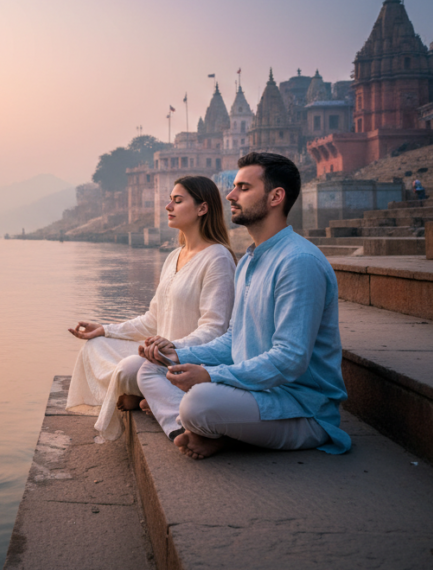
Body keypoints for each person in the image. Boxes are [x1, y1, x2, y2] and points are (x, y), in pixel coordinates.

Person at [139, 151, 351, 460]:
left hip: (301, 408)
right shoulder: (250, 259)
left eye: (243, 188)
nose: (230, 195)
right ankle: (197, 430)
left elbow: (290, 359)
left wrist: (212, 376)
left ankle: (203, 427)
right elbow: (232, 339)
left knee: (199, 402)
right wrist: (176, 353)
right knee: (150, 369)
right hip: (254, 390)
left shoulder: (298, 262)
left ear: (276, 196)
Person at [65, 175, 236, 442]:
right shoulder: (173, 257)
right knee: (95, 347)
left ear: (203, 208)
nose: (168, 207)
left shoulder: (218, 258)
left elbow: (216, 329)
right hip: (157, 353)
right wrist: (105, 329)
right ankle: (149, 394)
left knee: (130, 368)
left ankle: (154, 399)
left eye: (177, 201)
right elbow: (152, 319)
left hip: (186, 359)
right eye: (169, 200)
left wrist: (173, 347)